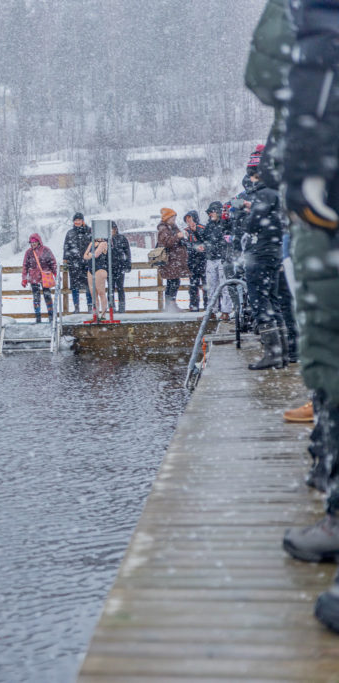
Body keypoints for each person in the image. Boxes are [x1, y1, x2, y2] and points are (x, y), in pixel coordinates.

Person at [266, 0, 339, 634]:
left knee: (329, 352)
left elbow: (266, 72)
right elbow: (269, 75)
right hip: (318, 214)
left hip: (324, 215)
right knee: (323, 354)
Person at [243, 167, 288, 370]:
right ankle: (282, 353)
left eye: (252, 176)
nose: (251, 180)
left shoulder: (263, 194)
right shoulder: (278, 193)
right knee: (273, 301)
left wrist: (246, 214)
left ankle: (272, 354)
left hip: (260, 253)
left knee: (260, 302)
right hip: (274, 252)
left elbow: (252, 225)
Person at [200, 202, 233, 321]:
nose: (210, 214)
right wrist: (203, 246)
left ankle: (226, 311)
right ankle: (211, 311)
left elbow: (227, 238)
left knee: (225, 286)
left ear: (218, 211)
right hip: (210, 258)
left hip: (222, 259)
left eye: (212, 212)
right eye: (209, 213)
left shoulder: (226, 223)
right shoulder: (209, 225)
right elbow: (204, 239)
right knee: (211, 287)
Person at [155, 208, 189, 312]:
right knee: (173, 282)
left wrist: (183, 237)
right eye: (172, 217)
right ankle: (170, 305)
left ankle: (171, 305)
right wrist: (177, 237)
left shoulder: (172, 227)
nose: (174, 219)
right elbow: (167, 242)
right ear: (167, 218)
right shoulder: (164, 229)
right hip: (170, 260)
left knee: (174, 282)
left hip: (175, 260)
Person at [21, 233, 57, 323]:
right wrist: (24, 278)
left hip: (45, 277)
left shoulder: (46, 250)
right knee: (36, 298)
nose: (33, 243)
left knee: (47, 296)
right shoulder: (29, 252)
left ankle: (51, 316)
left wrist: (55, 273)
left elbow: (52, 262)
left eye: (34, 242)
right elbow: (25, 266)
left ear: (38, 241)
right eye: (31, 242)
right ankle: (38, 317)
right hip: (34, 277)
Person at [62, 212, 93, 314]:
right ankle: (76, 307)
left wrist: (92, 257)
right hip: (74, 263)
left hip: (87, 262)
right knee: (74, 286)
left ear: (82, 221)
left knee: (89, 285)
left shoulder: (89, 231)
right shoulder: (70, 233)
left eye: (79, 220)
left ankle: (90, 306)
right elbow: (66, 247)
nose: (77, 222)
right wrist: (65, 260)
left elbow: (94, 245)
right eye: (75, 220)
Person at [183, 211, 207, 311]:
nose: (189, 221)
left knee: (207, 285)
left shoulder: (203, 228)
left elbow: (206, 242)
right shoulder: (186, 231)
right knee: (193, 286)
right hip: (192, 262)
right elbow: (185, 245)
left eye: (190, 219)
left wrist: (199, 247)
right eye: (187, 220)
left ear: (195, 219)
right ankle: (194, 306)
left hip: (204, 261)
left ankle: (209, 306)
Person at [84, 236, 110, 321]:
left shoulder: (104, 243)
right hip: (90, 269)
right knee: (93, 294)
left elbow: (96, 254)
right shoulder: (91, 243)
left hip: (100, 269)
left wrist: (90, 255)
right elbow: (85, 256)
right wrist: (90, 255)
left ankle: (103, 314)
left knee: (101, 292)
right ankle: (96, 314)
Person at [110, 222, 132, 313]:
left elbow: (127, 252)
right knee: (110, 288)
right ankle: (112, 308)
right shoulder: (105, 240)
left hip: (120, 266)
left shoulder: (122, 238)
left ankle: (122, 308)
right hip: (109, 267)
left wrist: (128, 264)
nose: (112, 231)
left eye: (113, 229)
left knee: (120, 288)